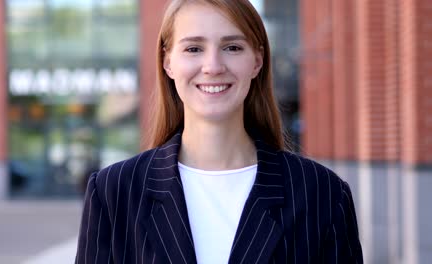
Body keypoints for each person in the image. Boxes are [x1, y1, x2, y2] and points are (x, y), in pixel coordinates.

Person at [75, 0, 363, 263]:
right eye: (193, 49)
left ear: (257, 61)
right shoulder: (114, 192)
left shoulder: (322, 193)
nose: (212, 66)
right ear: (168, 62)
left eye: (232, 47)